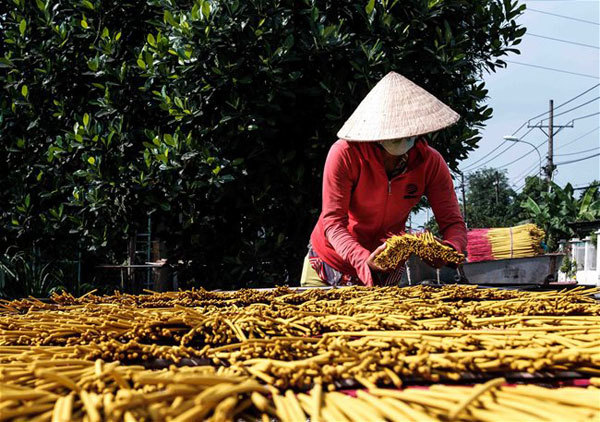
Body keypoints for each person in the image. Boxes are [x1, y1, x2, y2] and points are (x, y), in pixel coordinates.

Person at [300, 72, 467, 287]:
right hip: (331, 261)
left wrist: (450, 251)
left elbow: (453, 222)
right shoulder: (345, 154)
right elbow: (333, 223)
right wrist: (361, 259)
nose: (403, 139)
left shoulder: (430, 162)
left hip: (386, 265)